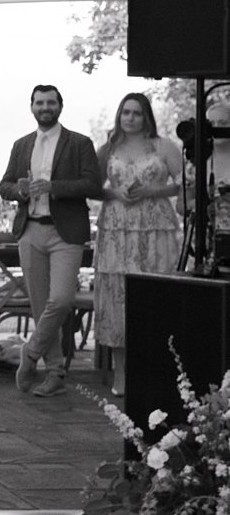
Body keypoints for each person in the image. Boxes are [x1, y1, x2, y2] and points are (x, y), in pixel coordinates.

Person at [0, 83, 104, 396]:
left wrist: (53, 187)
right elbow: (3, 185)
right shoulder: (21, 145)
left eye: (51, 103)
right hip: (30, 228)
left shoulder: (79, 143)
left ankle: (29, 354)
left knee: (61, 300)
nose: (45, 108)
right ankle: (55, 373)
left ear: (60, 106)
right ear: (32, 107)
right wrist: (19, 190)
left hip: (66, 231)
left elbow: (93, 185)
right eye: (39, 103)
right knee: (40, 304)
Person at [93, 93, 183, 395]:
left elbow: (185, 183)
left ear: (147, 117)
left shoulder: (163, 146)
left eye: (137, 113)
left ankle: (158, 368)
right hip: (116, 229)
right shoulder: (108, 149)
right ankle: (121, 373)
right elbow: (91, 187)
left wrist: (153, 190)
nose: (130, 118)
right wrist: (115, 193)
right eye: (126, 112)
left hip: (154, 227)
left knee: (154, 294)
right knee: (117, 297)